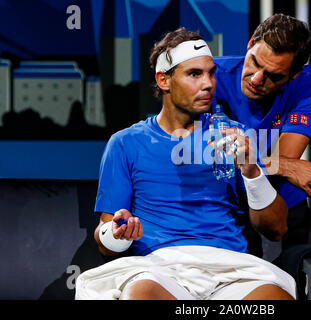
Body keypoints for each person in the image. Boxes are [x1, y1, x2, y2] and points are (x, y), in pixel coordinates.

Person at [75, 28, 296, 300]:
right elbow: (106, 246)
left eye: (211, 73)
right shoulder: (125, 143)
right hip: (159, 270)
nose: (208, 84)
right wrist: (119, 233)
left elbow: (276, 230)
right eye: (194, 74)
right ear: (164, 80)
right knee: (141, 294)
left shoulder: (237, 136)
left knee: (274, 300)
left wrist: (253, 173)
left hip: (231, 271)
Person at [213, 13, 311, 248]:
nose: (257, 79)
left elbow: (286, 156)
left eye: (274, 75)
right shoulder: (210, 75)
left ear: (294, 75)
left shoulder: (307, 82)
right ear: (250, 43)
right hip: (224, 210)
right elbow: (204, 157)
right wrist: (285, 167)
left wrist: (281, 164)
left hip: (283, 205)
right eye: (255, 62)